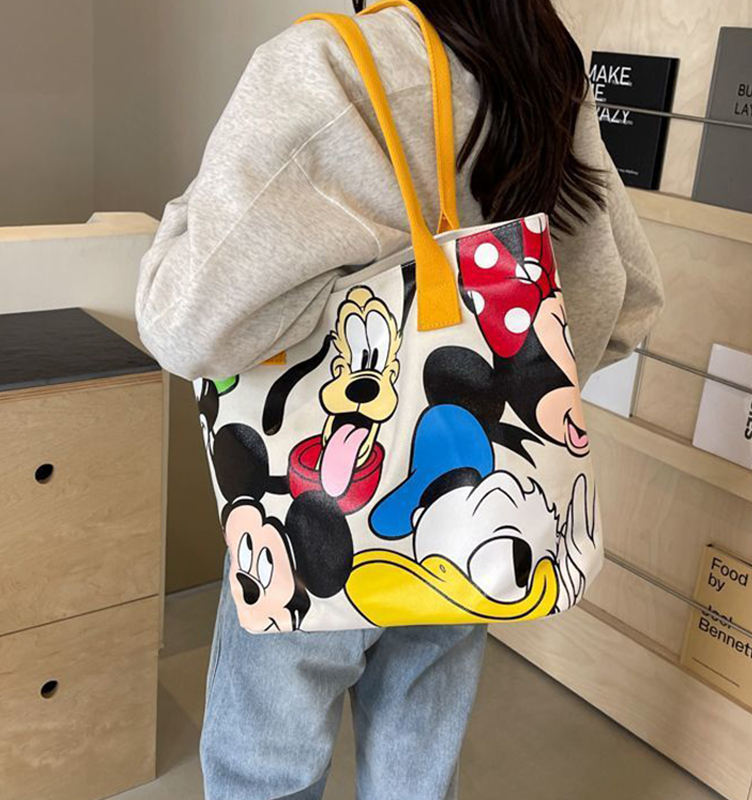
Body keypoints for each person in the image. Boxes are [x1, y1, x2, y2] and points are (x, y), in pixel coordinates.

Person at [135, 1, 664, 797]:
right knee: (417, 771)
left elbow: (185, 324)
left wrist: (191, 214)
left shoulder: (328, 64)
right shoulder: (539, 64)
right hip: (467, 507)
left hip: (306, 523)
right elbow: (624, 301)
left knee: (265, 771)